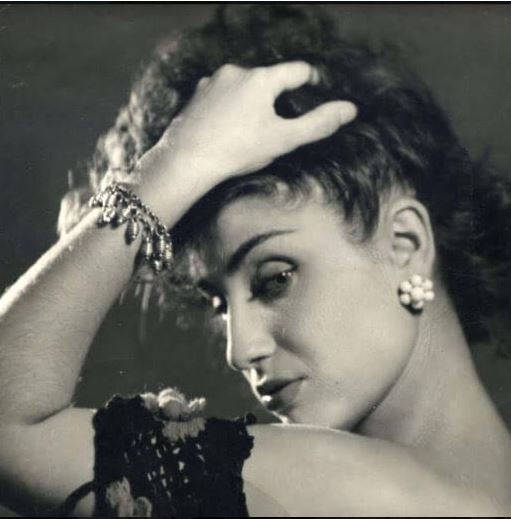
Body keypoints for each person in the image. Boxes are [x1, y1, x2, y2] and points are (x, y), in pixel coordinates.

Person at [0, 4, 511, 516]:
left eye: (274, 279)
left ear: (406, 243)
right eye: (220, 306)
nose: (240, 350)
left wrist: (172, 166)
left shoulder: (355, 487)